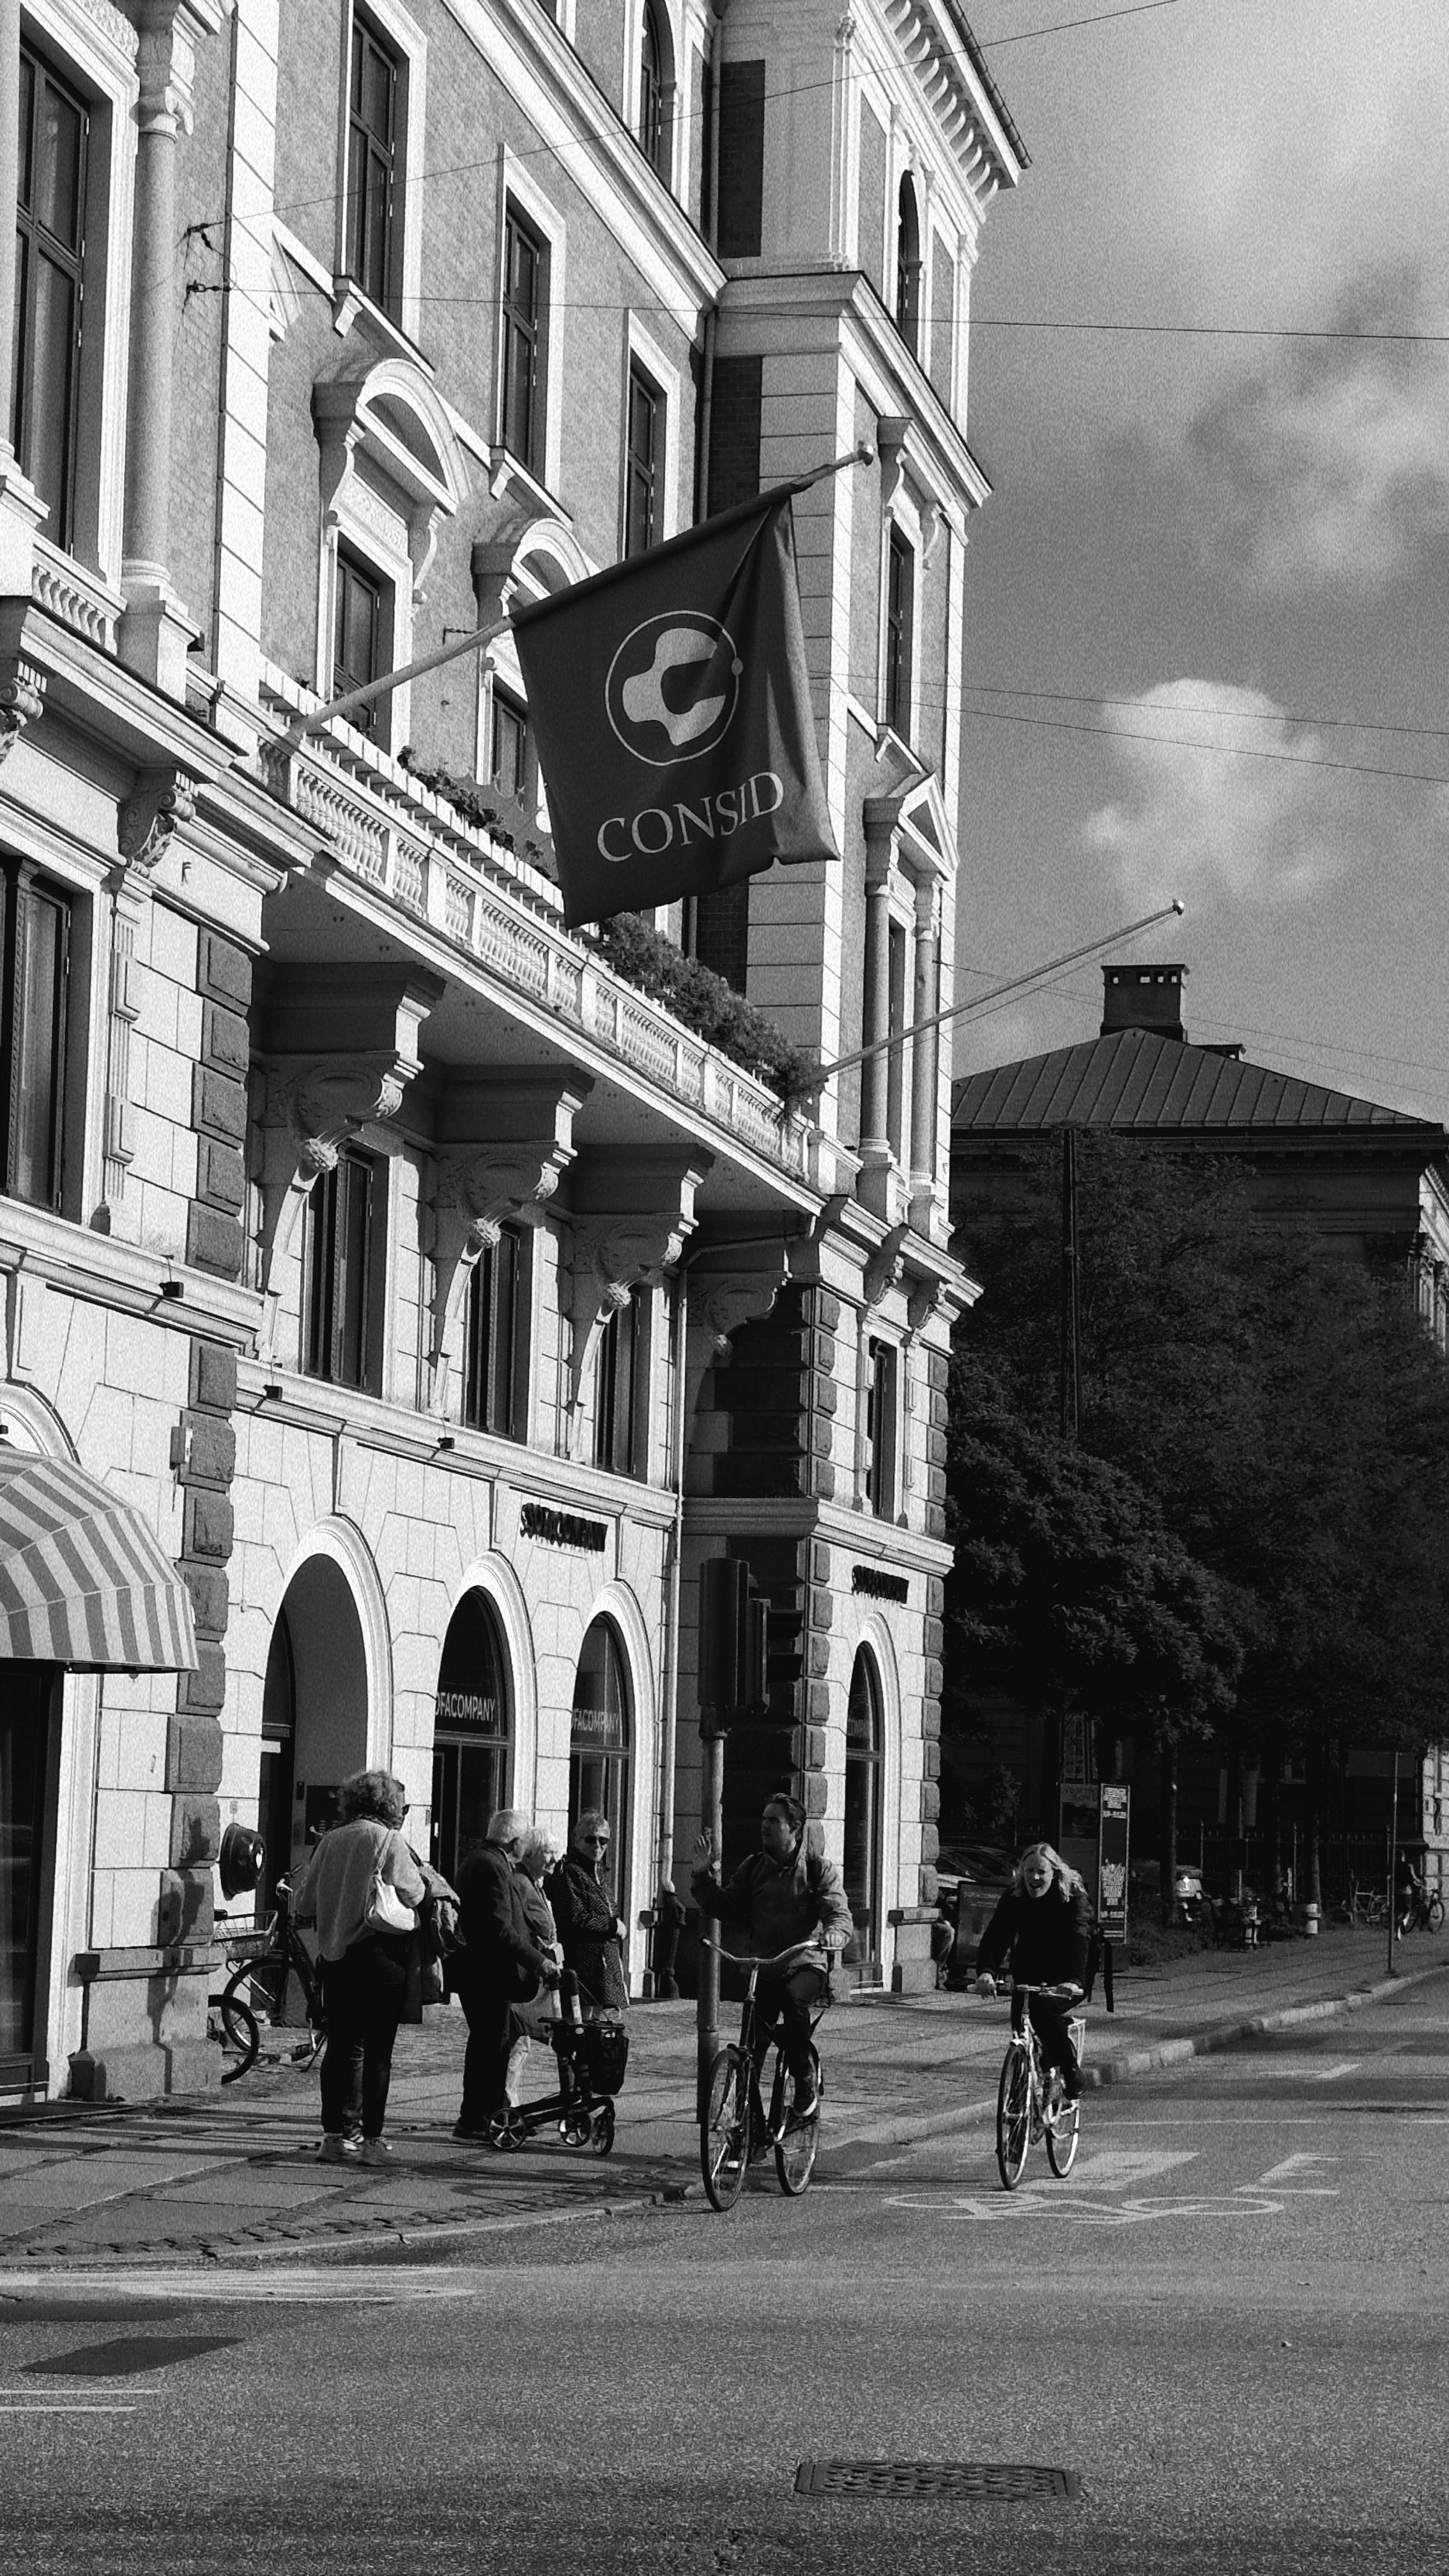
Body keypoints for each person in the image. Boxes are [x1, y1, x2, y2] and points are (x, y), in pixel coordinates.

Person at [290, 1767, 425, 2165]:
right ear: (389, 1804)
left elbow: (305, 1904)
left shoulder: (330, 1841)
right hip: (380, 1954)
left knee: (342, 2050)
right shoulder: (388, 1840)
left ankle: (333, 2136)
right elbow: (414, 1893)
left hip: (336, 1958)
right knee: (378, 2052)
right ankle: (372, 2141)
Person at [691, 1793, 853, 2118]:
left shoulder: (817, 1870)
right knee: (751, 2047)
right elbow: (727, 1907)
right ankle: (748, 2126)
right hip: (763, 1967)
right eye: (763, 1819)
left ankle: (804, 2080)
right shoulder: (753, 1868)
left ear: (794, 1828)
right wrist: (701, 1876)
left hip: (804, 1964)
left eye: (773, 1821)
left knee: (794, 2002)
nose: (764, 1826)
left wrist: (834, 1933)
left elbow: (838, 1913)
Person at [454, 1807, 561, 2141]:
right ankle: (483, 2117)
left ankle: (481, 2115)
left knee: (490, 2043)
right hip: (487, 1974)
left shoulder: (483, 1860)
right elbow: (500, 1929)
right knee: (493, 2047)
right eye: (523, 1844)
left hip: (481, 1972)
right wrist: (539, 1961)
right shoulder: (493, 1865)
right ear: (514, 1842)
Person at [975, 1839, 1092, 2101]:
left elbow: (1079, 1938)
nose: (1035, 1877)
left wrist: (1074, 1979)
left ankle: (1071, 2070)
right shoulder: (1015, 1896)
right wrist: (986, 1971)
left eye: (1042, 1872)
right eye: (1030, 1871)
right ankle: (1018, 2113)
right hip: (1027, 1974)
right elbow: (997, 1936)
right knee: (1021, 2028)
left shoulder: (1072, 1898)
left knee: (1043, 2013)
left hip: (1066, 1974)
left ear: (1055, 1873)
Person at [548, 1809, 629, 2021]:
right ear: (577, 1839)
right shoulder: (568, 1872)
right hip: (582, 1967)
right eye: (591, 1840)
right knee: (579, 2028)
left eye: (604, 1841)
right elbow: (575, 1918)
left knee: (604, 2035)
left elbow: (608, 1911)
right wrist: (612, 1926)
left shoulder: (599, 1873)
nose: (598, 1846)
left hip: (604, 1968)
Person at [505, 1828, 562, 2106]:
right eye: (548, 1854)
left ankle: (510, 2103)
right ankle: (507, 2105)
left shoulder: (534, 1882)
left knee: (521, 2040)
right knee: (517, 2039)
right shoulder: (521, 1882)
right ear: (529, 1854)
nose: (554, 1859)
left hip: (532, 1971)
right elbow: (537, 1927)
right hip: (523, 1971)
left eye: (555, 1852)